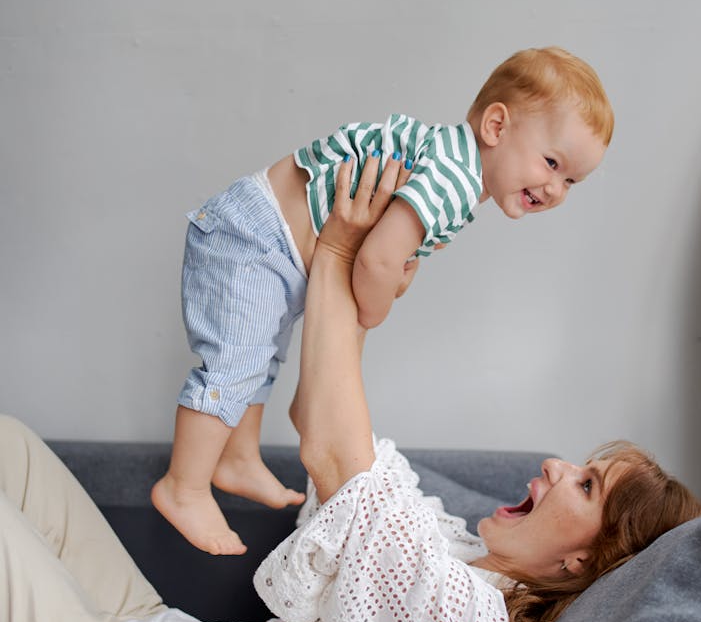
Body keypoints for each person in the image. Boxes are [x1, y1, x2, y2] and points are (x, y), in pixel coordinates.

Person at [0, 156, 701, 622]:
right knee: (10, 448)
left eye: (585, 484)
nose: (558, 466)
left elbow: (337, 453)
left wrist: (336, 250)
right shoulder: (453, 549)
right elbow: (324, 424)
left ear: (582, 563)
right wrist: (365, 286)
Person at [152, 46, 614, 555]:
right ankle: (184, 486)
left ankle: (236, 457)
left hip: (269, 240)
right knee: (235, 361)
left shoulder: (452, 165)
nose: (555, 189)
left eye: (571, 181)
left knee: (261, 354)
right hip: (254, 236)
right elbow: (374, 261)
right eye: (552, 163)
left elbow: (385, 248)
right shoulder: (455, 181)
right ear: (497, 127)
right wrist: (379, 304)